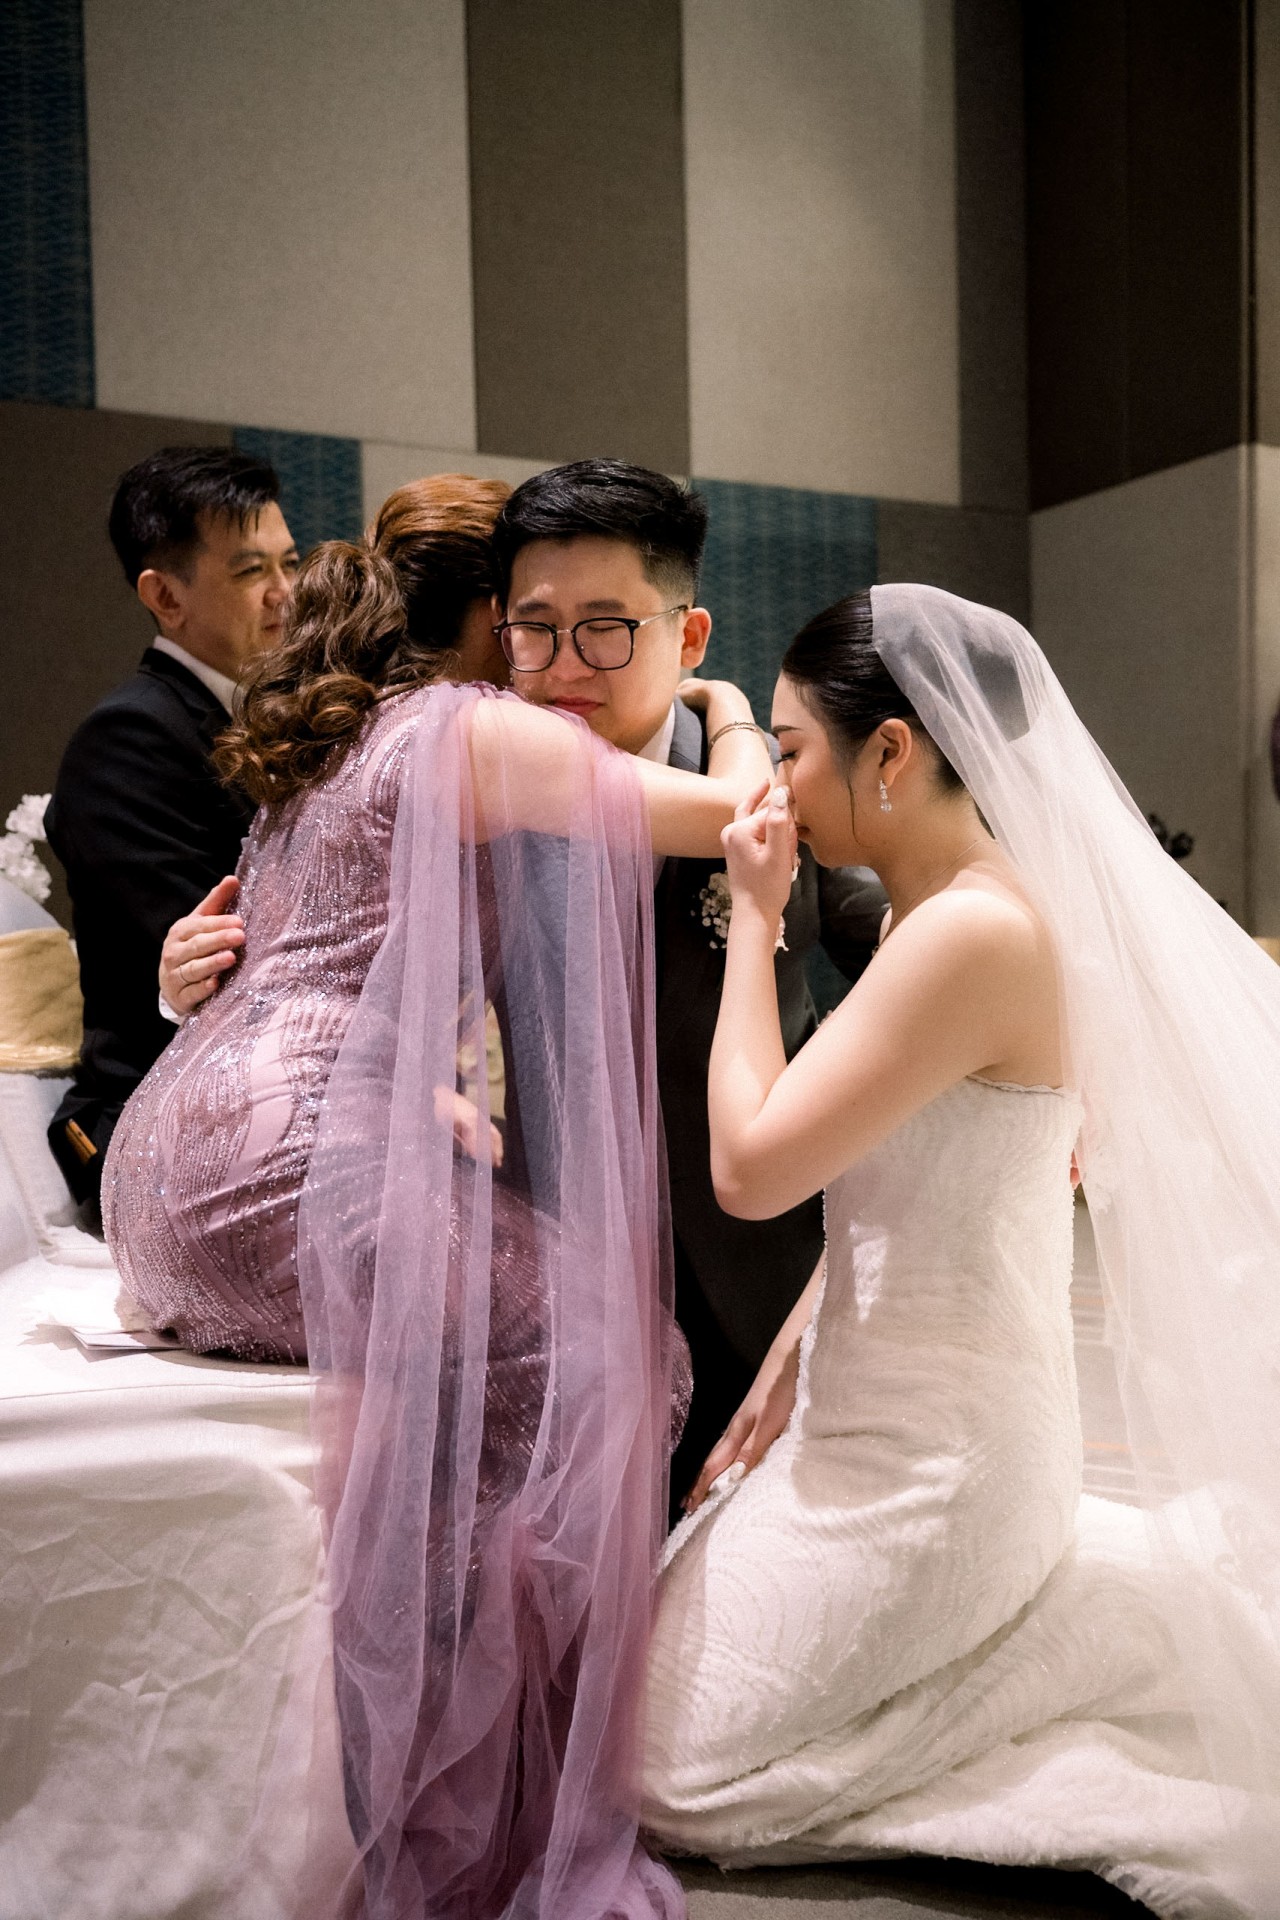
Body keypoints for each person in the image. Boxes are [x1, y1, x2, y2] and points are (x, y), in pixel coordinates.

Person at [103, 482, 771, 1916]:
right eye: (528, 626)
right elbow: (736, 817)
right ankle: (476, 1771)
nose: (553, 661)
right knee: (614, 1356)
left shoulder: (332, 742)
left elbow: (307, 962)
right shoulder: (469, 728)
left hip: (161, 1173)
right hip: (284, 1175)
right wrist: (725, 707)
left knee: (504, 1352)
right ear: (479, 625)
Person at [642, 586, 1280, 1917]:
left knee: (669, 1772)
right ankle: (1055, 1637)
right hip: (872, 1414)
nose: (776, 784)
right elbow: (900, 1177)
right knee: (643, 1700)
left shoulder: (976, 932)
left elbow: (751, 1168)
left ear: (891, 752)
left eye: (793, 749)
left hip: (946, 1460)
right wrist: (789, 1365)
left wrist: (753, 915)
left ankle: (1063, 1698)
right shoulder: (933, 914)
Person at [489, 461, 885, 1509]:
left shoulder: (779, 786)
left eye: (606, 628)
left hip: (759, 1286)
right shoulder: (484, 795)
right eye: (536, 629)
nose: (566, 666)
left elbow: (902, 938)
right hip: (548, 1304)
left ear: (690, 636)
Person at [44, 446, 298, 1207]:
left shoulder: (277, 719)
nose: (285, 594)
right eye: (251, 571)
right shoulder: (129, 738)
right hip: (147, 1127)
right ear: (165, 594)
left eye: (290, 563)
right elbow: (236, 968)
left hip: (270, 1099)